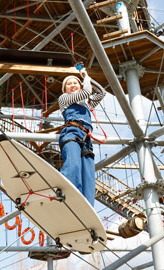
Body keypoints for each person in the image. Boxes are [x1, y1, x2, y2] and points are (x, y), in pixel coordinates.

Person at [58, 68, 106, 206]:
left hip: (86, 137)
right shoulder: (64, 99)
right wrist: (84, 79)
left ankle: (86, 205)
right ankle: (67, 193)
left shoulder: (86, 103)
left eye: (75, 83)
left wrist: (86, 77)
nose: (73, 85)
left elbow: (102, 93)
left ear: (80, 85)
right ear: (65, 90)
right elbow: (86, 92)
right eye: (69, 84)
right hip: (71, 132)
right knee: (73, 165)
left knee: (88, 174)